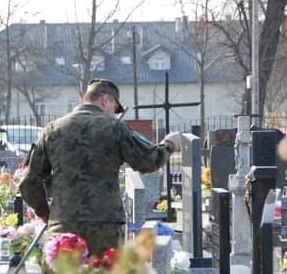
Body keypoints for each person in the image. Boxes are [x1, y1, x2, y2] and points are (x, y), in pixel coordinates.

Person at [19, 78, 182, 256]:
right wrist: (170, 144)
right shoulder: (115, 128)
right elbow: (149, 161)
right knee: (105, 273)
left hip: (64, 227)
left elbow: (28, 182)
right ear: (105, 100)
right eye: (114, 108)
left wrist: (45, 212)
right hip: (105, 228)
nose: (114, 113)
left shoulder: (52, 130)